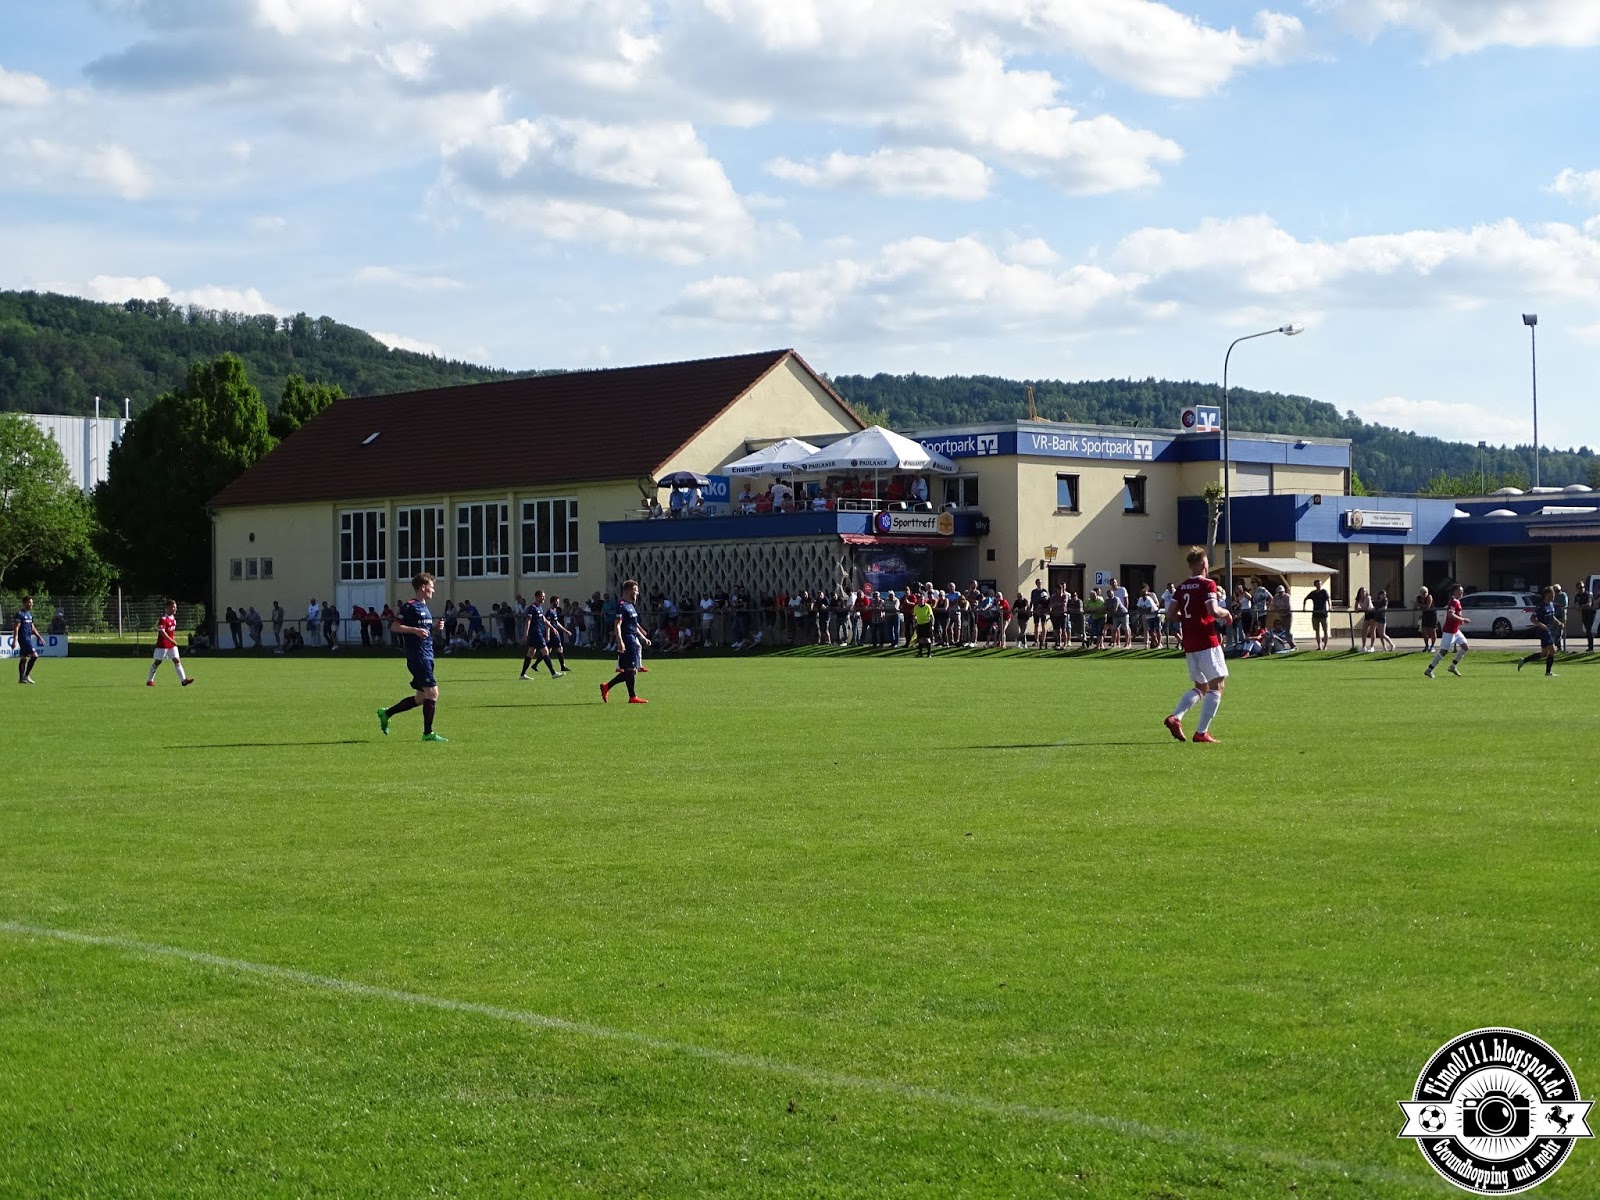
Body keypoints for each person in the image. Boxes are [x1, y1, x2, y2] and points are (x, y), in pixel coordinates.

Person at [1163, 547, 1231, 744]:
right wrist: (1226, 613)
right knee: (1217, 685)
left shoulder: (1182, 586)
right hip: (1206, 640)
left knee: (1201, 686)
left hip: (1190, 642)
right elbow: (1213, 610)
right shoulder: (1208, 584)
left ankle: (1176, 717)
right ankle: (1201, 733)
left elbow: (1169, 614)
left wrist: (1187, 620)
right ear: (1203, 565)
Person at [378, 572, 448, 741]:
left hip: (428, 655)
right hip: (418, 657)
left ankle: (386, 713)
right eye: (431, 587)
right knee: (432, 693)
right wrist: (414, 630)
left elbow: (424, 631)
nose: (433, 591)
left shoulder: (424, 607)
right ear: (423, 587)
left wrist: (435, 627)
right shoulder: (410, 606)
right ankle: (428, 733)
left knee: (421, 697)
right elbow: (394, 627)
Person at [600, 579, 650, 704]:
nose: (637, 593)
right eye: (635, 590)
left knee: (630, 670)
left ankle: (608, 687)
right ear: (628, 591)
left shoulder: (631, 605)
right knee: (631, 670)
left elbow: (633, 624)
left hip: (633, 639)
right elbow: (617, 625)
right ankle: (632, 696)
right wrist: (620, 641)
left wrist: (643, 637)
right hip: (627, 640)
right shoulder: (621, 605)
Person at [146, 599, 196, 687]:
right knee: (158, 662)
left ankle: (184, 680)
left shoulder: (173, 619)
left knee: (177, 660)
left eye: (175, 607)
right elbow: (162, 632)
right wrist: (171, 640)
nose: (175, 609)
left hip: (171, 645)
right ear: (168, 607)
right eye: (173, 607)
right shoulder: (163, 619)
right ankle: (150, 680)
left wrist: (172, 641)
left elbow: (171, 632)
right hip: (162, 645)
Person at [1424, 584, 1469, 677]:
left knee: (1465, 647)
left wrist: (1459, 621)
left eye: (1462, 591)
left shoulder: (1457, 601)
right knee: (1443, 652)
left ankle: (1452, 666)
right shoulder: (1453, 602)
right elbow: (1450, 615)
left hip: (1455, 631)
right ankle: (1429, 669)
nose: (1461, 593)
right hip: (1449, 631)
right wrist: (1462, 619)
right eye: (1459, 591)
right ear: (1454, 592)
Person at [1517, 586, 1560, 677]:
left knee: (1544, 653)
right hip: (1543, 631)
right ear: (1546, 594)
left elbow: (1552, 616)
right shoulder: (1541, 606)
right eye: (1552, 594)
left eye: (1554, 594)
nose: (1553, 595)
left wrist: (1558, 622)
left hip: (1549, 629)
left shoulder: (1551, 605)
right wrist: (1540, 624)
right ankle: (1548, 672)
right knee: (1552, 650)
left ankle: (1524, 660)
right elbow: (1532, 619)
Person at [519, 589, 561, 679]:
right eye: (542, 596)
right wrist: (526, 633)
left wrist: (552, 628)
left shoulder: (540, 607)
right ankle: (553, 673)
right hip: (535, 633)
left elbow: (544, 620)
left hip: (539, 632)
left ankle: (522, 675)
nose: (544, 598)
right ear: (537, 597)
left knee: (531, 652)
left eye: (544, 596)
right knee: (545, 651)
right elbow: (528, 620)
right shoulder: (532, 607)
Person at [12, 596, 41, 684]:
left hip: (28, 638)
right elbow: (16, 627)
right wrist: (14, 640)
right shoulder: (20, 614)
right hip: (24, 639)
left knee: (24, 658)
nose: (31, 604)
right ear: (24, 603)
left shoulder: (29, 614)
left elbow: (32, 628)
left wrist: (39, 637)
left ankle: (21, 679)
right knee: (35, 655)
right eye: (29, 602)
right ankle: (26, 676)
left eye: (32, 602)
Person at [1304, 578, 1332, 651]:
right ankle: (1319, 646)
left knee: (1325, 630)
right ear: (1315, 585)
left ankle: (1325, 646)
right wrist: (1304, 608)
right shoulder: (1313, 593)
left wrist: (1330, 607)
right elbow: (1305, 599)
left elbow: (1328, 599)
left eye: (1320, 584)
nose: (1319, 585)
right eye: (1317, 584)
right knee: (1317, 631)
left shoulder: (1324, 592)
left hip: (1323, 614)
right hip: (1315, 614)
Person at [912, 591, 935, 656]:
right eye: (920, 599)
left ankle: (929, 653)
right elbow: (914, 616)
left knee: (927, 639)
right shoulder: (916, 607)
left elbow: (931, 616)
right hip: (919, 624)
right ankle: (920, 653)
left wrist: (932, 625)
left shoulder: (927, 606)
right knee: (920, 639)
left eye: (922, 599)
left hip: (926, 624)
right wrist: (914, 623)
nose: (921, 601)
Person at [1415, 587, 1437, 654]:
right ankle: (1426, 645)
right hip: (1425, 615)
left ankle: (1432, 646)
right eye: (1423, 592)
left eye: (1425, 592)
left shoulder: (1429, 597)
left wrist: (1420, 605)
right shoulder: (1418, 598)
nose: (1424, 594)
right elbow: (1416, 605)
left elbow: (1428, 606)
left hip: (1432, 615)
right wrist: (1419, 605)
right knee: (1424, 631)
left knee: (1432, 631)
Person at [1579, 581, 1597, 654]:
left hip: (1591, 613)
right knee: (1587, 630)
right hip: (1584, 614)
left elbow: (1589, 604)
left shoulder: (1588, 594)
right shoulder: (1578, 595)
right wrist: (1580, 607)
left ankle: (1591, 647)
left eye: (1583, 587)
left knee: (1589, 629)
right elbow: (1576, 605)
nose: (1582, 589)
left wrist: (1581, 606)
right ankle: (1589, 646)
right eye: (1580, 587)